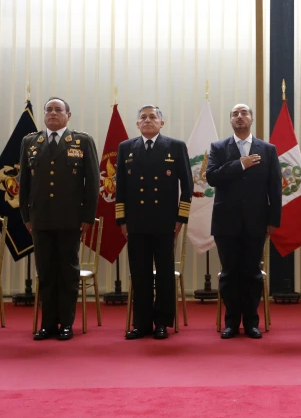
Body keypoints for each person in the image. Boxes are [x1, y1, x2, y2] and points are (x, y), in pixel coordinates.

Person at [20, 97, 99, 341]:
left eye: (58, 110)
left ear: (68, 115)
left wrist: (87, 216)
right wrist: (26, 216)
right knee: (45, 272)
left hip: (70, 218)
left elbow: (93, 183)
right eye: (49, 110)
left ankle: (66, 323)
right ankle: (47, 323)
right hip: (40, 218)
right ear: (44, 115)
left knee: (67, 271)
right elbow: (24, 183)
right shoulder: (30, 142)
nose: (53, 113)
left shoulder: (82, 141)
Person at [116, 105, 193, 340]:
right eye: (143, 117)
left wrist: (180, 219)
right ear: (137, 124)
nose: (147, 120)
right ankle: (141, 323)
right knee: (140, 275)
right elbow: (120, 187)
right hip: (136, 223)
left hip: (165, 223)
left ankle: (162, 322)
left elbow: (187, 187)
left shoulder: (175, 146)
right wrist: (121, 219)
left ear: (162, 122)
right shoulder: (126, 148)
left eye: (153, 117)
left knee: (164, 275)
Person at [207, 103, 281, 340]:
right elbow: (212, 177)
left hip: (256, 222)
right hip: (225, 222)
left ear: (252, 119)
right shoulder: (219, 147)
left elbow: (275, 188)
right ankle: (230, 323)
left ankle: (251, 322)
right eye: (235, 114)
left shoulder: (268, 149)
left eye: (244, 113)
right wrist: (240, 164)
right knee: (229, 274)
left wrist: (273, 220)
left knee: (252, 274)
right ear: (230, 120)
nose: (239, 117)